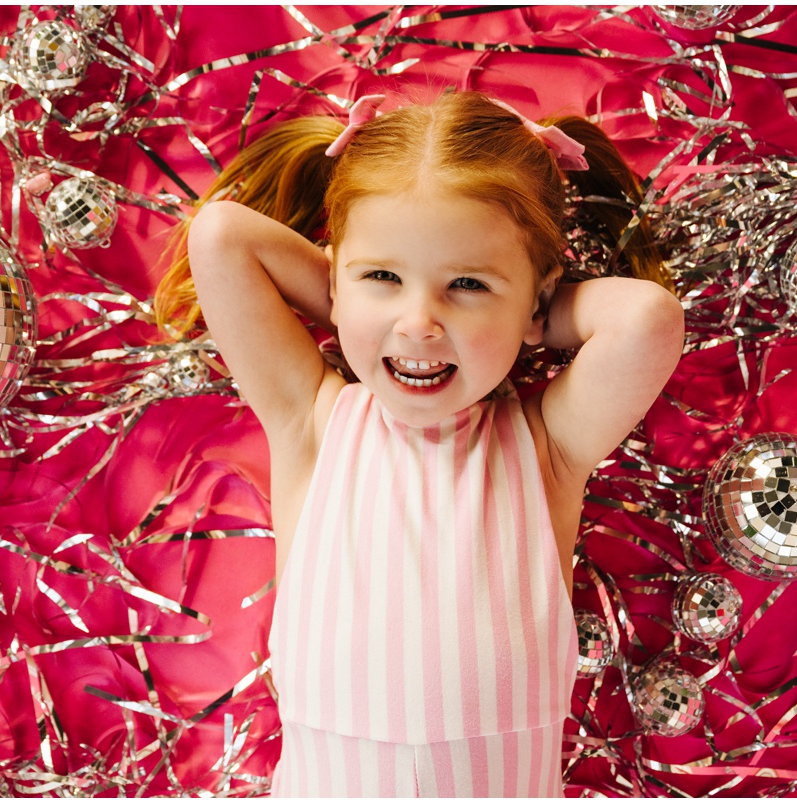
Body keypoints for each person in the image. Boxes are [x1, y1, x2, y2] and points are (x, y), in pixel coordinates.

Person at [154, 90, 684, 797]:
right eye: (384, 276)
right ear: (338, 276)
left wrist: (524, 313)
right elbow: (220, 234)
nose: (420, 322)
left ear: (536, 297)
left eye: (465, 284)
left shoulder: (545, 448)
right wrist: (352, 301)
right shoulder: (312, 422)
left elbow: (647, 318)